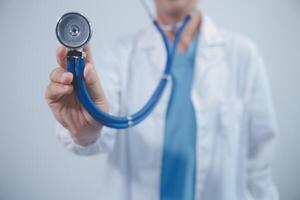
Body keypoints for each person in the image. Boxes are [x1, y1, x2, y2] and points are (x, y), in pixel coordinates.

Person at [45, 0, 279, 199]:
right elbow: (98, 131)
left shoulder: (243, 55)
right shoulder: (119, 56)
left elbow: (259, 167)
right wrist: (85, 130)